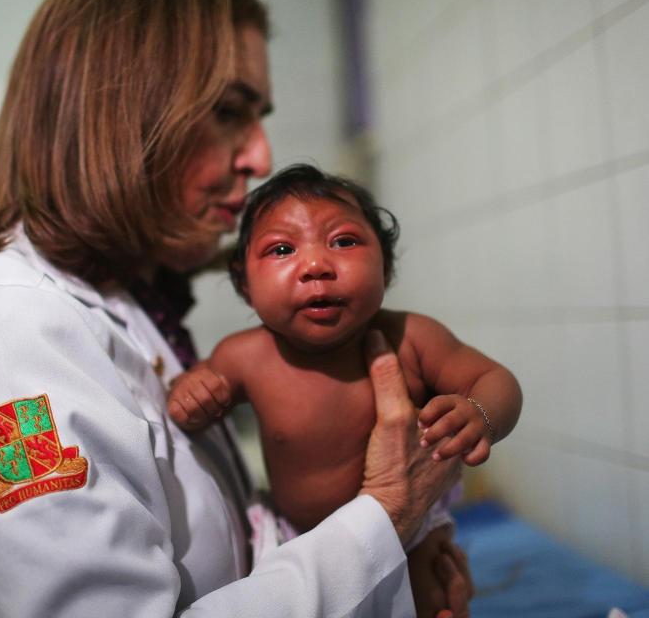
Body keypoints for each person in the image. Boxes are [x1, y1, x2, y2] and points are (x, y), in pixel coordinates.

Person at [0, 0, 470, 616]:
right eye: (226, 112)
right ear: (114, 115)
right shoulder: (0, 343)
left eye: (258, 118)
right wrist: (385, 513)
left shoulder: (125, 309)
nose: (261, 156)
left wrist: (392, 582)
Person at [166, 163, 523, 613]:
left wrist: (480, 415)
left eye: (344, 241)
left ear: (386, 268)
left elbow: (497, 381)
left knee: (431, 594)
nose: (316, 265)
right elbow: (187, 399)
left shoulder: (413, 338)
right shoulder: (243, 357)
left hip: (410, 533)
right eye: (281, 249)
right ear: (244, 284)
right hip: (296, 542)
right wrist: (190, 393)